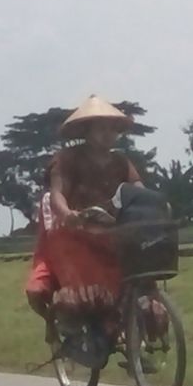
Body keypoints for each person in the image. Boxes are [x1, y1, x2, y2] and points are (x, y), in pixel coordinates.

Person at [25, 95, 143, 342]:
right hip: (73, 233)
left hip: (111, 232)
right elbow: (57, 193)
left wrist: (154, 204)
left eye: (111, 128)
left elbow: (138, 189)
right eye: (100, 127)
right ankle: (59, 321)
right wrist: (68, 215)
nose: (107, 134)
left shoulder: (122, 162)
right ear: (87, 131)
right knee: (44, 289)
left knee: (137, 275)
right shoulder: (67, 159)